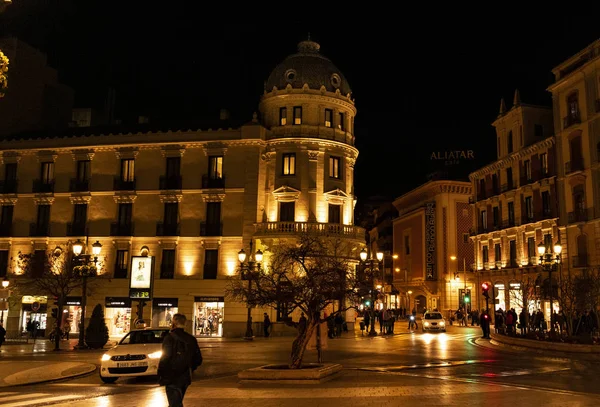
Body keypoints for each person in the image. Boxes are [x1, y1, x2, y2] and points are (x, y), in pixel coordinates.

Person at [158, 313, 202, 407]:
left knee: (174, 403)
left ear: (173, 322)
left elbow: (165, 357)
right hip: (185, 376)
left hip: (172, 376)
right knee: (177, 402)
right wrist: (190, 367)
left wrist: (161, 372)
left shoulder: (169, 338)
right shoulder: (191, 339)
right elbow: (198, 359)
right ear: (185, 323)